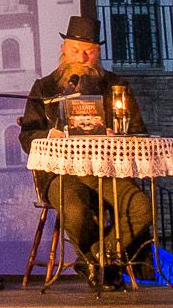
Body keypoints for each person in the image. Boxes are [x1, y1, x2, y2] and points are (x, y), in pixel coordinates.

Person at [19, 14, 151, 283]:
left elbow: (139, 133)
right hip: (62, 173)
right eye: (75, 51)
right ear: (63, 50)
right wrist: (49, 135)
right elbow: (27, 136)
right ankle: (105, 266)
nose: (81, 58)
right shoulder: (45, 87)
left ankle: (96, 260)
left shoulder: (116, 86)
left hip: (107, 173)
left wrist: (120, 136)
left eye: (88, 53)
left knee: (142, 207)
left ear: (98, 53)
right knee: (76, 212)